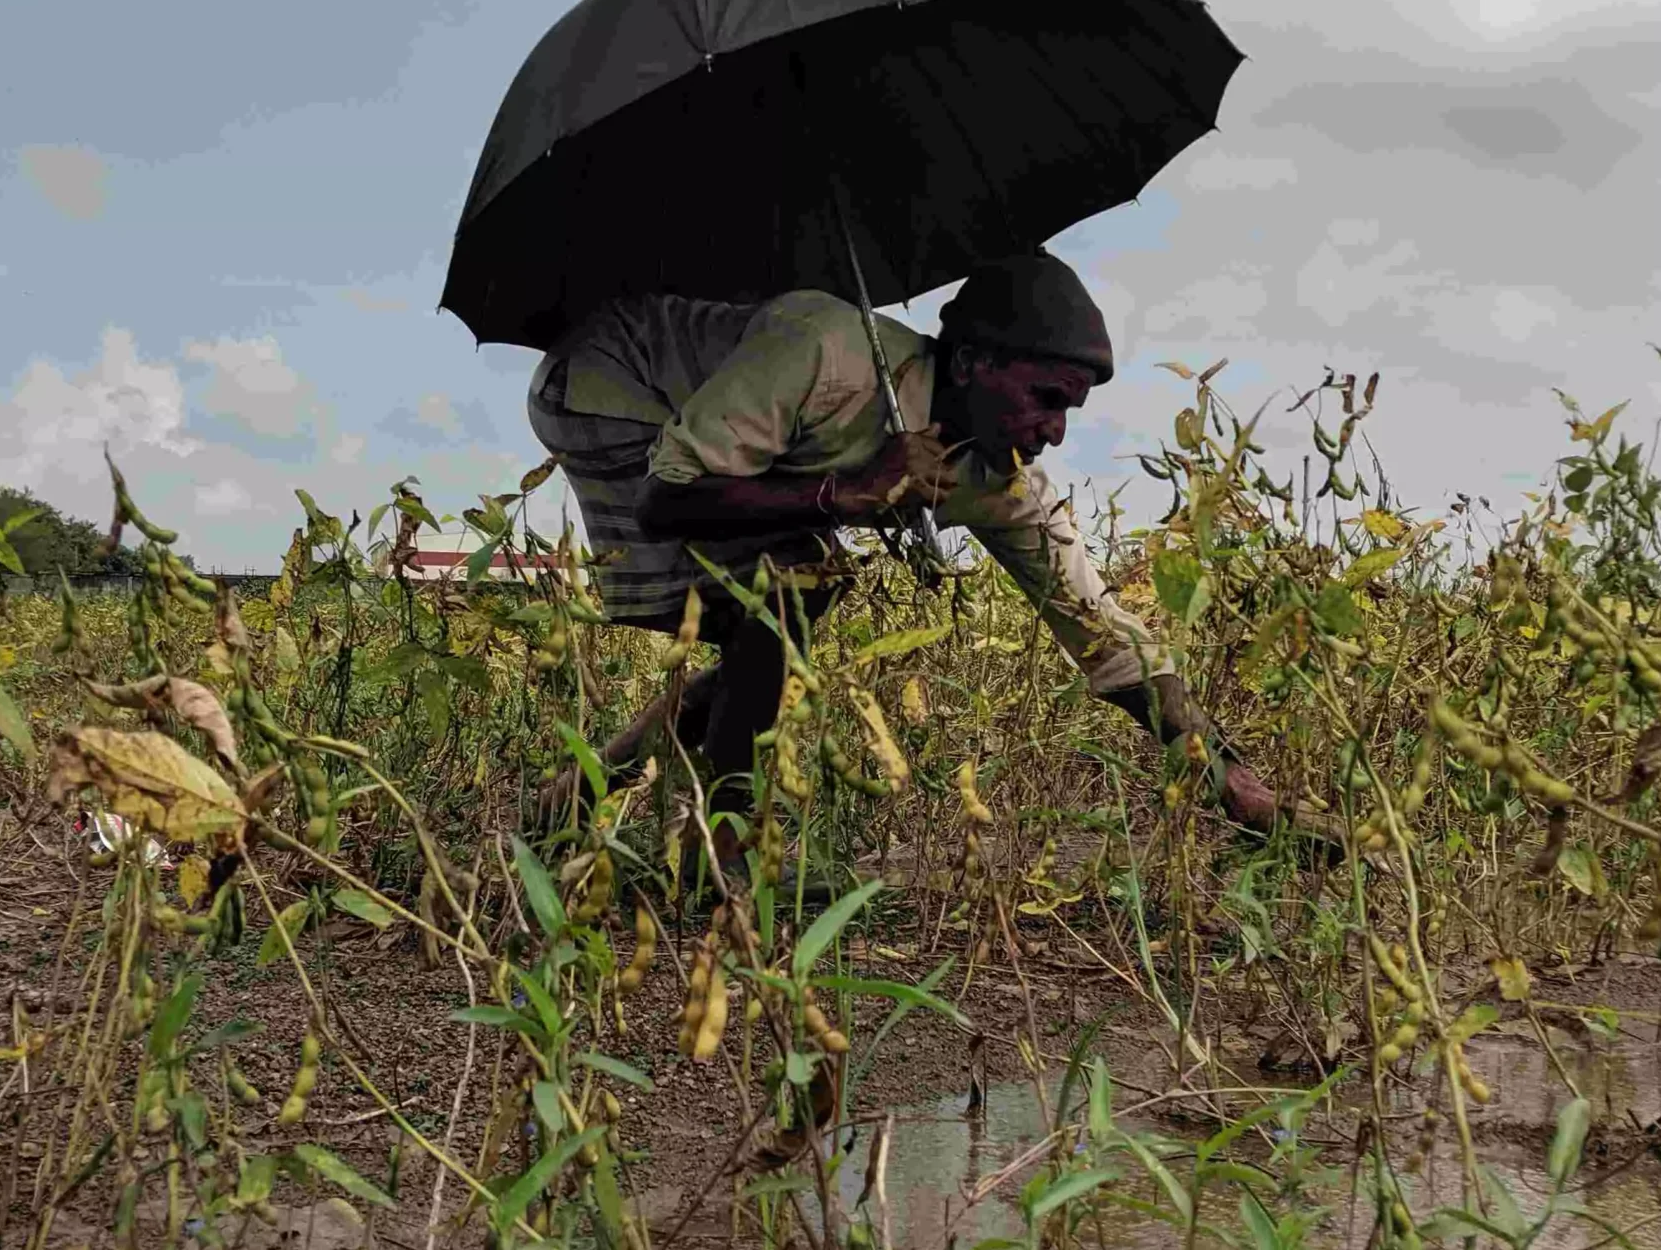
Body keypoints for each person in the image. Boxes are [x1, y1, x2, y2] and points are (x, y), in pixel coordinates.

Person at [525, 249, 1326, 850]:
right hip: (608, 386)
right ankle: (723, 848)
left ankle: (584, 791)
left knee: (791, 596)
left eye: (1070, 412)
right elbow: (670, 497)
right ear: (972, 363)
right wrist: (844, 493)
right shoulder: (824, 346)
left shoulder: (998, 479)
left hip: (713, 442)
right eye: (1045, 400)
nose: (1055, 431)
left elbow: (1105, 635)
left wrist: (1239, 787)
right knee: (792, 584)